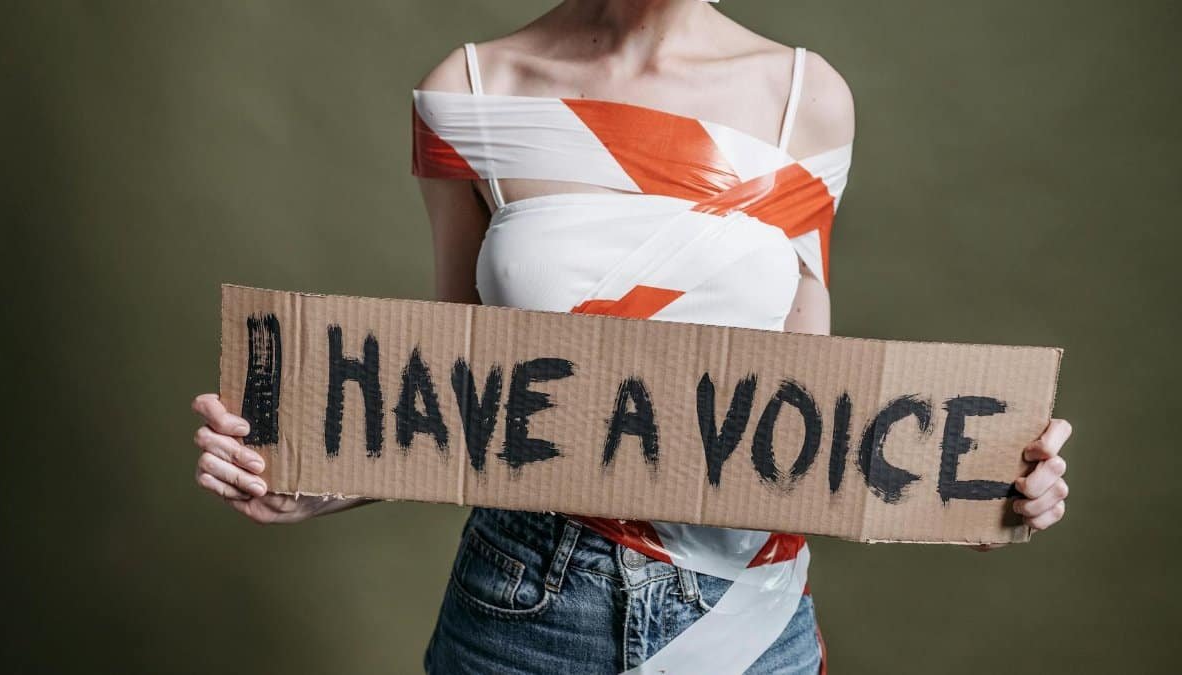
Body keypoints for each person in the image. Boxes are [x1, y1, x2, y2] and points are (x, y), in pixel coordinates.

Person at [190, 1, 1073, 672]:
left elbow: (809, 405)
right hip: (525, 602)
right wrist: (312, 477)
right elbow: (452, 390)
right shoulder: (471, 87)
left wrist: (990, 478)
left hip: (744, 606)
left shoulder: (806, 98)